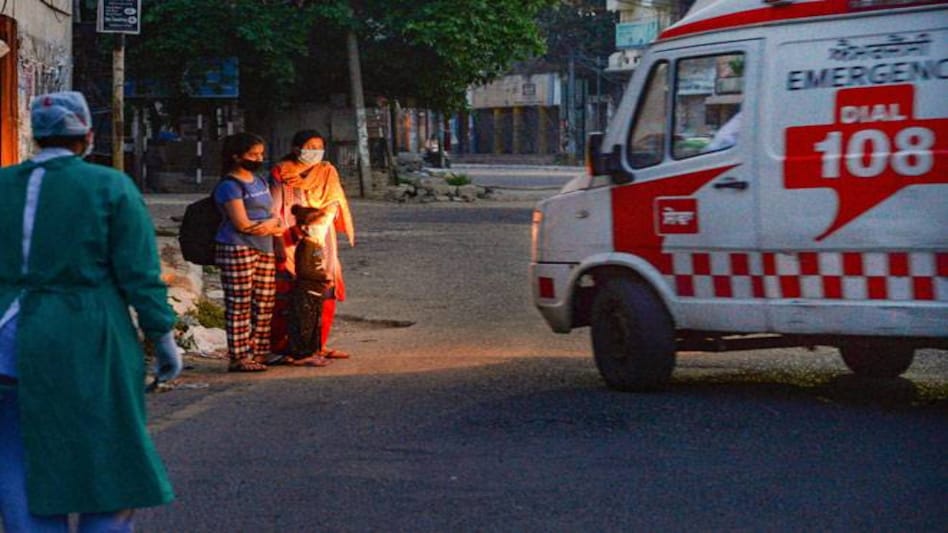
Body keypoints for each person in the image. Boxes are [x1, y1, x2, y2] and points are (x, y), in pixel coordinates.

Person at [0, 91, 182, 531]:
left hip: (8, 342)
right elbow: (140, 275)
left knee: (16, 455)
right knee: (109, 459)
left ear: (36, 135)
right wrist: (163, 339)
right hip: (89, 338)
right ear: (88, 135)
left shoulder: (3, 185)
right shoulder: (110, 186)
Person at [270, 130, 354, 361]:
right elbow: (275, 208)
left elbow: (334, 202)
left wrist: (317, 225)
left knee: (325, 284)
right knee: (289, 288)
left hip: (321, 235)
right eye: (310, 147)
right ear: (296, 148)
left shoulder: (327, 171)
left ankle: (318, 344)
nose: (315, 152)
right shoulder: (281, 171)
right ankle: (285, 347)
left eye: (319, 147)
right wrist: (279, 240)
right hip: (288, 235)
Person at [214, 133, 284, 372]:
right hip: (237, 248)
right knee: (239, 303)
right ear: (236, 156)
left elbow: (274, 215)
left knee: (265, 300)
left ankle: (261, 351)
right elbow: (241, 223)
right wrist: (269, 226)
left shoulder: (260, 181)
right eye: (253, 154)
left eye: (260, 154)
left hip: (264, 246)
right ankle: (239, 356)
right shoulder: (229, 186)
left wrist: (271, 225)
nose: (258, 158)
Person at [286, 205, 333, 367]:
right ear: (306, 228)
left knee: (314, 323)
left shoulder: (316, 245)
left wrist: (324, 277)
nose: (322, 229)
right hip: (306, 290)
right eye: (319, 225)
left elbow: (318, 265)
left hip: (316, 290)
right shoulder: (306, 245)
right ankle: (302, 354)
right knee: (304, 324)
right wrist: (324, 276)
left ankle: (312, 352)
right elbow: (304, 270)